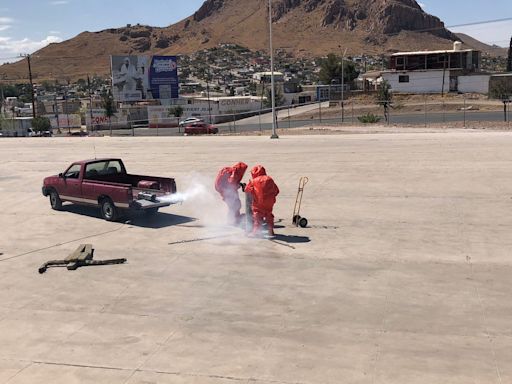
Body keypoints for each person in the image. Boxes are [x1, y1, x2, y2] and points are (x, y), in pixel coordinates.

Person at [245, 165, 280, 237]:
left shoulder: (253, 181)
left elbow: (247, 190)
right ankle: (270, 231)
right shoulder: (270, 179)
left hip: (259, 202)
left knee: (257, 215)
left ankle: (256, 232)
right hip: (269, 202)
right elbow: (277, 190)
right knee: (269, 215)